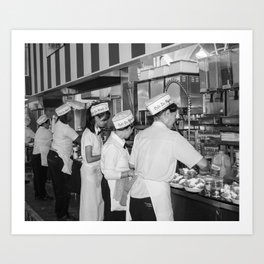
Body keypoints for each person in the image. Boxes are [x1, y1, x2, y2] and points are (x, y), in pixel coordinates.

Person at [129, 93, 208, 221]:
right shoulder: (173, 137)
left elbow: (132, 165)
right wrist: (206, 171)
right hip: (154, 198)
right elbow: (203, 164)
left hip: (135, 195)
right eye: (174, 115)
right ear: (166, 114)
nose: (174, 120)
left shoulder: (140, 135)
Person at [47, 103, 81, 221]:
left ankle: (60, 213)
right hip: (59, 159)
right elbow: (80, 140)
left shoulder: (57, 124)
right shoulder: (66, 128)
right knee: (63, 189)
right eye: (70, 113)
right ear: (65, 115)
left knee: (59, 188)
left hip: (53, 157)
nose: (72, 115)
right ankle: (62, 215)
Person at [101, 110, 136, 221]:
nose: (132, 132)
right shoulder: (112, 146)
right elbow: (108, 174)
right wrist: (128, 173)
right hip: (113, 186)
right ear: (128, 128)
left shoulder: (120, 143)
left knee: (119, 217)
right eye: (132, 129)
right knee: (114, 219)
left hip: (118, 185)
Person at [79, 102, 110, 221]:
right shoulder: (88, 134)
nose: (105, 122)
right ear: (96, 118)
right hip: (89, 174)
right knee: (90, 203)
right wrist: (104, 155)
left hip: (96, 172)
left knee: (98, 201)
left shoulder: (96, 133)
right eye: (103, 120)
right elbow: (89, 158)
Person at [31, 114, 53, 200]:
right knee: (41, 177)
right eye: (48, 123)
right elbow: (54, 140)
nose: (49, 125)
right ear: (44, 123)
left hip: (36, 156)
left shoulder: (39, 130)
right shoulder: (46, 132)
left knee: (37, 177)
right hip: (39, 157)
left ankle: (38, 194)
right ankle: (42, 195)